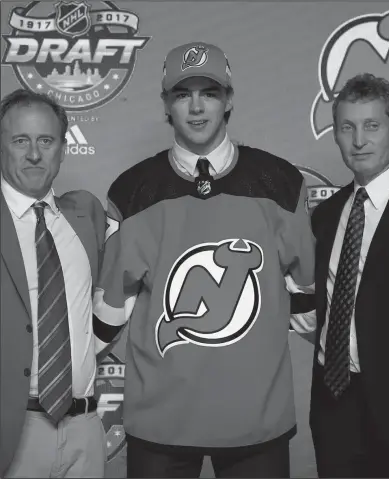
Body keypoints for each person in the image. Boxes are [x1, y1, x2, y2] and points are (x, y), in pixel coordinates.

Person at [93, 42, 315, 478]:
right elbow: (112, 307)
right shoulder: (132, 190)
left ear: (228, 99)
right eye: (182, 94)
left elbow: (305, 297)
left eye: (209, 92)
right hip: (161, 423)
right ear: (166, 105)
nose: (196, 107)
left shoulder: (281, 182)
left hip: (257, 420)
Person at [290, 73, 389, 478]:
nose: (359, 140)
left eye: (372, 126)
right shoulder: (325, 215)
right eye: (347, 127)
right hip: (334, 405)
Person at [0, 89, 107, 478]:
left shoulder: (85, 216)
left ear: (63, 149)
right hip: (14, 429)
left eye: (46, 141)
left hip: (85, 429)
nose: (33, 154)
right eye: (20, 141)